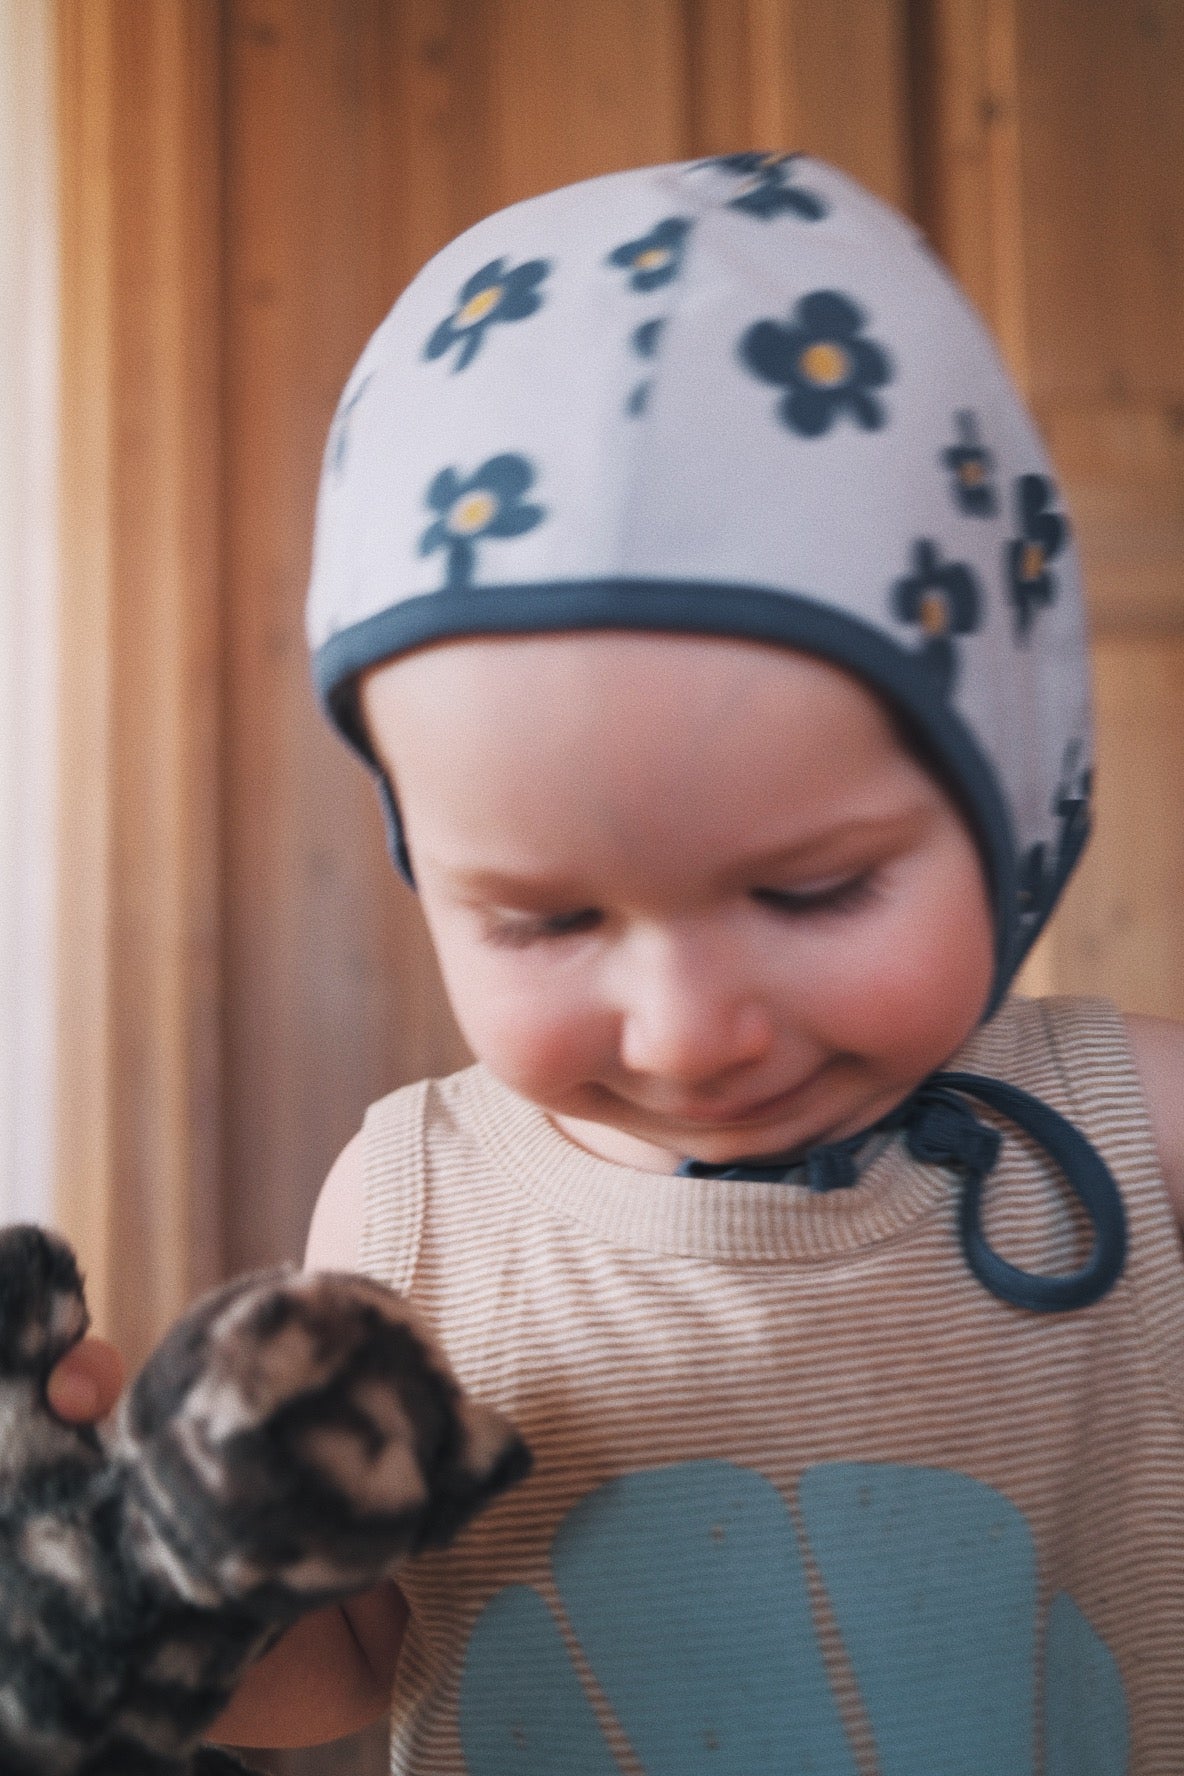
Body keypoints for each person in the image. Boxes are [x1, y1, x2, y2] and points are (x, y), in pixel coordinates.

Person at [55, 156, 1184, 1769]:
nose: (687, 1029)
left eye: (814, 891)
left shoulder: (1138, 1130)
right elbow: (347, 1671)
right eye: (546, 921)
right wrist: (157, 1591)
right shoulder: (410, 1210)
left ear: (1009, 796)